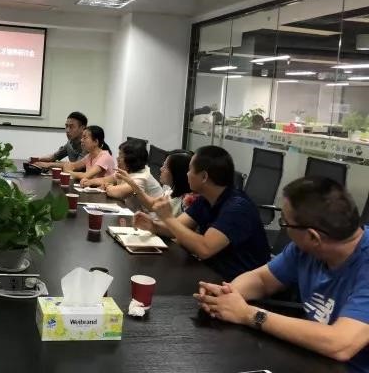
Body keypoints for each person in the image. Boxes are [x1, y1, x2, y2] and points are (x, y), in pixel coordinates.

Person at [194, 177, 369, 371]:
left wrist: (247, 314)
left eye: (285, 223)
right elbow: (262, 280)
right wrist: (227, 294)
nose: (283, 228)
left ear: (313, 237)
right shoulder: (305, 249)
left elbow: (340, 344)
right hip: (312, 358)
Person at [132, 145, 270, 281]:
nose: (187, 174)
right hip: (211, 272)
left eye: (190, 170)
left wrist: (168, 218)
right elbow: (176, 228)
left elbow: (204, 249)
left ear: (204, 177)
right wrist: (153, 225)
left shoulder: (237, 208)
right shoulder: (206, 199)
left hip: (237, 283)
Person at [81, 139, 162, 210]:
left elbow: (115, 192)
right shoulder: (128, 170)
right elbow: (106, 179)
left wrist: (107, 186)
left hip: (152, 219)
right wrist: (89, 182)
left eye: (121, 156)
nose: (117, 158)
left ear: (131, 160)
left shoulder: (142, 177)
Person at [117, 151, 195, 216]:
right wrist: (133, 184)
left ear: (176, 172)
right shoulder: (170, 190)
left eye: (165, 167)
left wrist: (152, 224)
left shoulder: (187, 201)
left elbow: (173, 228)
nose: (161, 169)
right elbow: (152, 204)